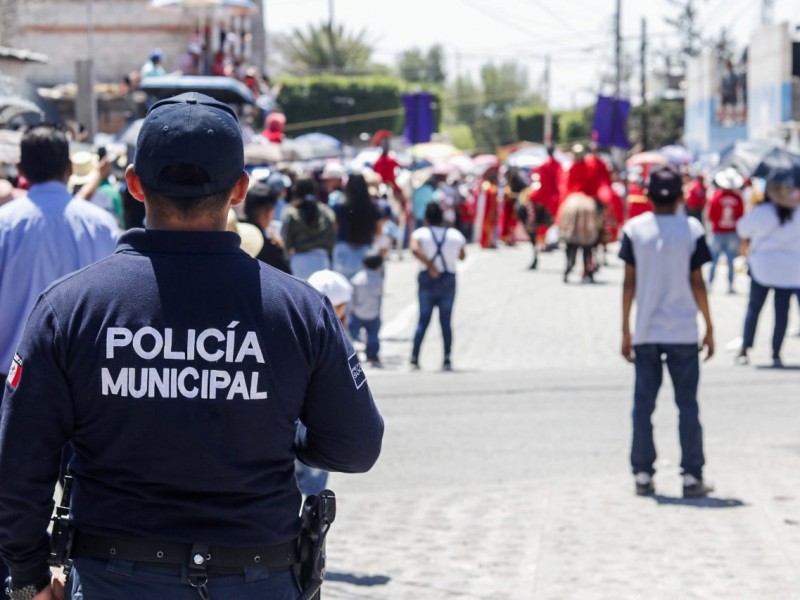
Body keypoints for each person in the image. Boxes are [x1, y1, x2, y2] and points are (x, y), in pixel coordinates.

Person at [0, 92, 383, 600]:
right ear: (240, 189)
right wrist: (271, 431)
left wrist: (27, 578)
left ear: (134, 183)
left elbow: (19, 463)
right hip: (257, 576)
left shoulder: (69, 307)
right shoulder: (299, 309)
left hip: (114, 577)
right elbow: (355, 446)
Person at [0, 125, 119, 591]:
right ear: (70, 168)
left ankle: (19, 582)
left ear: (21, 171)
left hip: (11, 380)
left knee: (12, 491)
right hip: (91, 383)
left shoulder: (6, 225)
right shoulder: (100, 224)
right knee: (86, 491)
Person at [620, 164, 714, 499]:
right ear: (680, 195)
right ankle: (691, 475)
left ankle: (643, 473)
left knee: (643, 405)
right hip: (683, 329)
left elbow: (629, 282)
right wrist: (709, 326)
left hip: (646, 328)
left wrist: (625, 330)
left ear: (647, 195)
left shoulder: (634, 229)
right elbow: (698, 282)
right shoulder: (691, 229)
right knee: (687, 404)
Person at [735, 182, 800, 367]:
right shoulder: (796, 211)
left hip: (762, 268)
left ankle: (745, 348)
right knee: (782, 312)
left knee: (754, 309)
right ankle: (776, 352)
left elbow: (742, 229)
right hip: (790, 270)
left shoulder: (762, 212)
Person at [410, 201, 467, 371]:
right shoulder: (455, 235)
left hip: (427, 278)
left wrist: (430, 265)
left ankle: (415, 356)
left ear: (426, 218)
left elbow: (414, 249)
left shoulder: (420, 234)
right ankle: (447, 358)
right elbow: (463, 256)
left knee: (423, 319)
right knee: (446, 322)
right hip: (448, 278)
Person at [282, 176, 336, 280]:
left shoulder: (291, 213)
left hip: (299, 262)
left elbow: (286, 242)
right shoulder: (326, 212)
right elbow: (332, 238)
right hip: (322, 260)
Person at [332, 172, 380, 280]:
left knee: (342, 293)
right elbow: (377, 231)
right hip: (366, 250)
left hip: (343, 248)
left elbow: (335, 227)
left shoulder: (339, 206)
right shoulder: (373, 206)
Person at [706, 168, 745, 294]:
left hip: (718, 231)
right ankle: (730, 285)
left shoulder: (716, 197)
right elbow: (741, 216)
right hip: (732, 232)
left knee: (714, 259)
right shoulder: (737, 198)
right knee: (730, 260)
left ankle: (709, 284)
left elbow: (711, 215)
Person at [242, 181, 291, 273]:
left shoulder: (233, 232)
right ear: (268, 213)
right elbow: (285, 273)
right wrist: (280, 248)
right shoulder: (267, 245)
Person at [349, 250, 385, 366]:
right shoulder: (379, 279)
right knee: (374, 335)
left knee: (353, 332)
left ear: (364, 264)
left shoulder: (357, 278)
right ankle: (373, 355)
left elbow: (352, 297)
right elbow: (380, 296)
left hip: (358, 311)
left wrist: (352, 309)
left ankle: (357, 349)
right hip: (373, 313)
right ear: (379, 266)